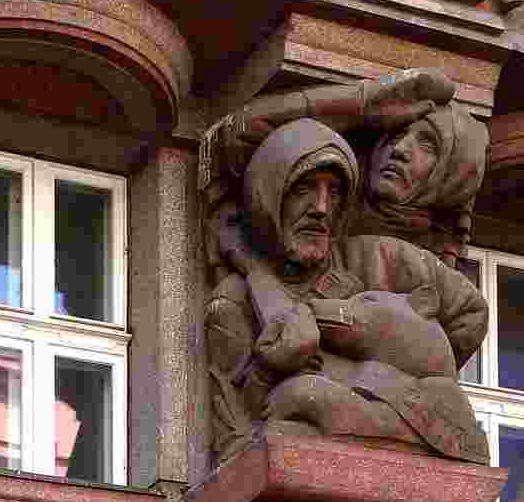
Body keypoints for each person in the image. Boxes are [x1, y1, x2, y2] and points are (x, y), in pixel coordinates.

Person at [206, 119, 488, 462]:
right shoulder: (233, 302)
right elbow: (235, 440)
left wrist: (405, 362)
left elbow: (470, 312)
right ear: (268, 195)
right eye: (302, 189)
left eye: (334, 192)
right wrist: (268, 369)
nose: (321, 208)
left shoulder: (375, 259)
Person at [202, 68, 487, 275]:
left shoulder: (434, 269)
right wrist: (361, 103)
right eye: (395, 133)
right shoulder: (332, 187)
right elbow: (239, 131)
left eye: (427, 145)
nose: (399, 149)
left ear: (454, 176)